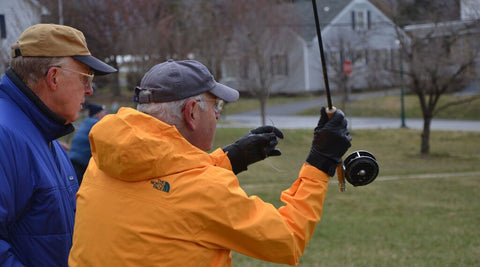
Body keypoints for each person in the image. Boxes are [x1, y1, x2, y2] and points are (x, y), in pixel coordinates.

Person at [69, 59, 351, 266]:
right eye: (217, 107)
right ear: (192, 112)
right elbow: (287, 239)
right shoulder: (203, 189)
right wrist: (320, 162)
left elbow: (166, 186)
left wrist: (229, 159)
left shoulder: (103, 161)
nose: (217, 116)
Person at [0, 24, 116, 266]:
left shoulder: (43, 131)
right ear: (53, 77)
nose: (90, 90)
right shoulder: (5, 135)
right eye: (86, 78)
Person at [69, 103, 108, 183]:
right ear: (97, 115)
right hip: (82, 162)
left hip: (73, 159)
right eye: (104, 113)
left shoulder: (86, 122)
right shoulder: (97, 124)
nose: (106, 115)